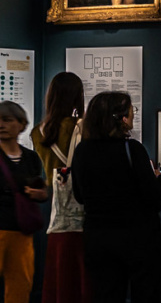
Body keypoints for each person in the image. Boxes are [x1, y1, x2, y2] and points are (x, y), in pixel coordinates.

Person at [71, 92, 161, 303]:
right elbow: (152, 195)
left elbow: (79, 195)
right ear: (122, 118)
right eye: (131, 111)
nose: (133, 115)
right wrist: (159, 179)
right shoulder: (132, 149)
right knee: (147, 294)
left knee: (105, 294)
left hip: (98, 238)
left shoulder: (82, 151)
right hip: (138, 238)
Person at [31, 72, 92, 303]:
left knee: (59, 281)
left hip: (57, 217)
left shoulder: (38, 133)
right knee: (82, 283)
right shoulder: (82, 127)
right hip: (84, 216)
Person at [0, 101, 48, 303]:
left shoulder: (30, 158)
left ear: (21, 124)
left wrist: (40, 194)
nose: (1, 124)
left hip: (22, 232)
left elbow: (43, 190)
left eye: (7, 120)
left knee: (21, 286)